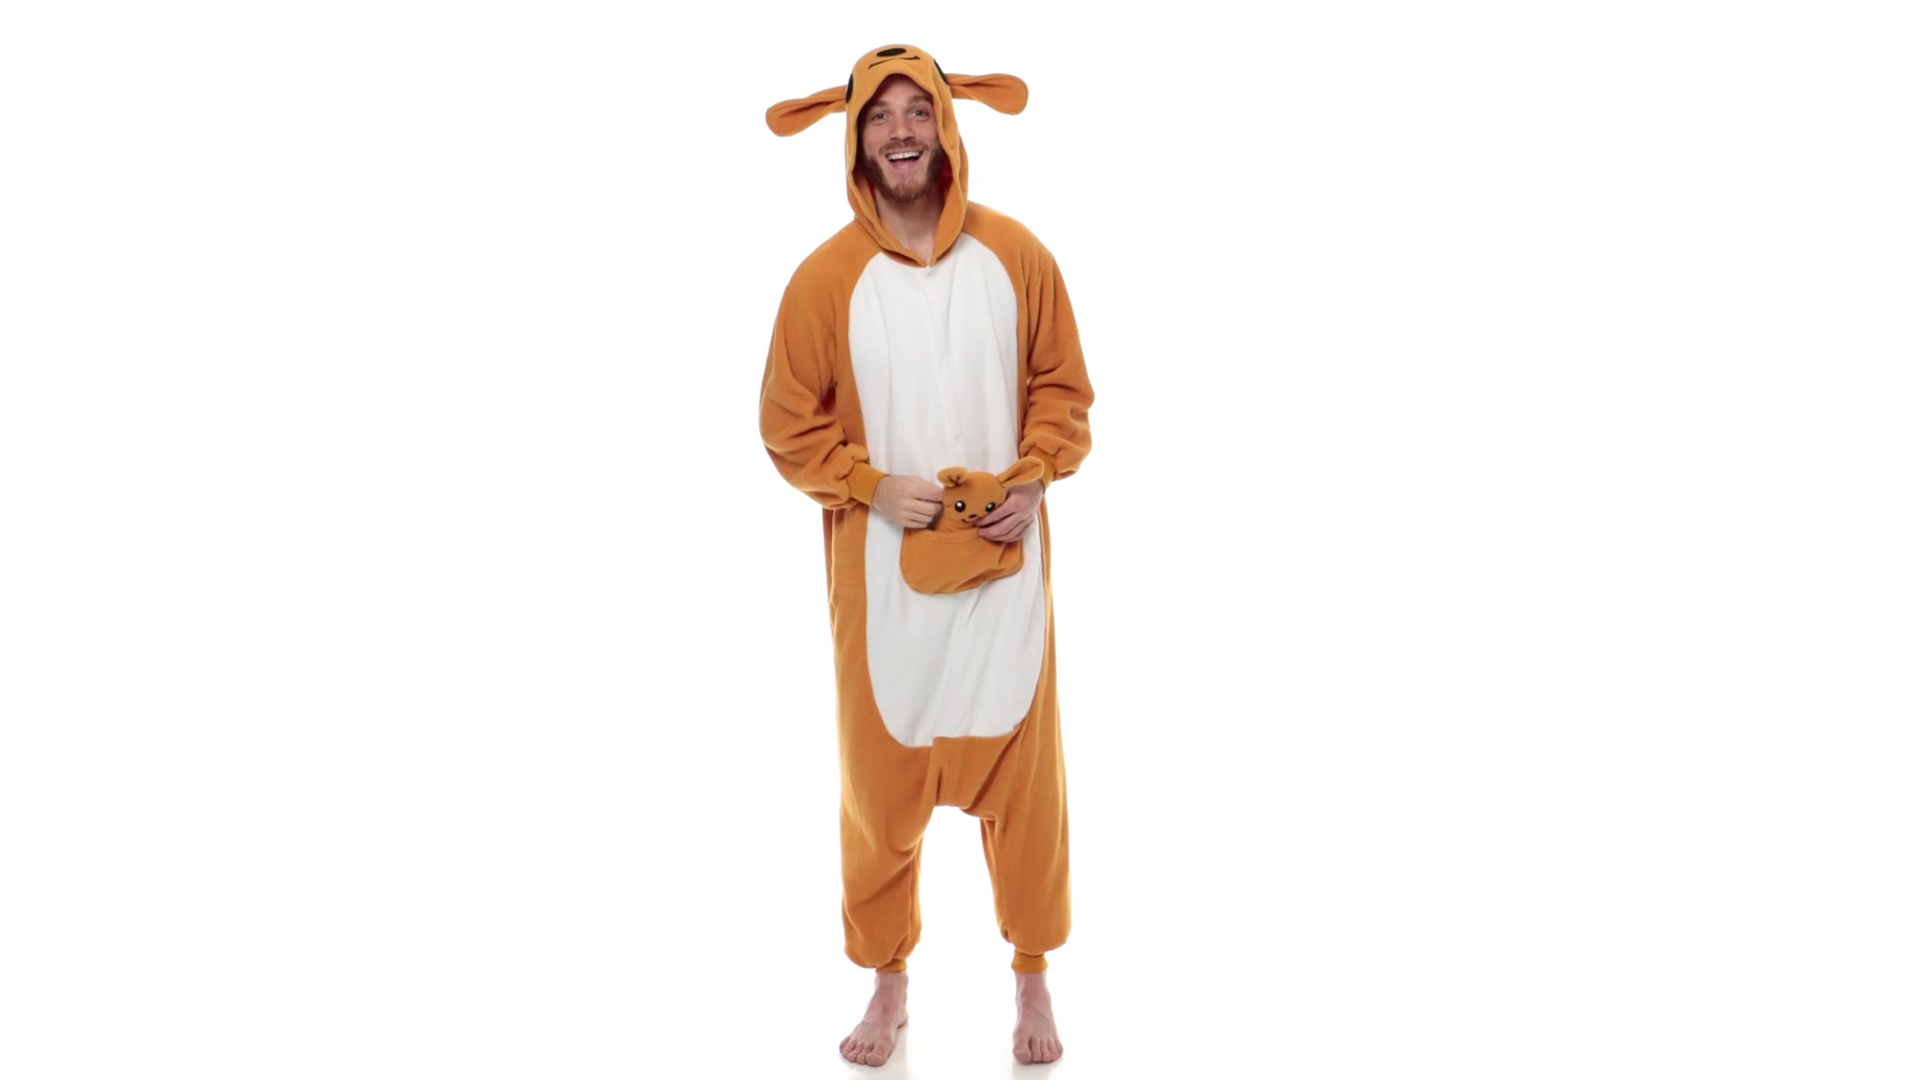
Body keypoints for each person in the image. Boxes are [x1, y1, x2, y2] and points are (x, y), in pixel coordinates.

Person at [759, 45, 1094, 1067]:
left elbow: (1063, 391)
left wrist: (1033, 476)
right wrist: (869, 485)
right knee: (878, 793)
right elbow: (787, 426)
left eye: (917, 110)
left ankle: (1031, 975)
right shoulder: (823, 282)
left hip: (1004, 580)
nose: (900, 130)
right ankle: (888, 982)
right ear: (854, 136)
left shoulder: (1018, 256)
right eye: (879, 115)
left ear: (947, 123)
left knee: (1027, 786)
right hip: (883, 589)